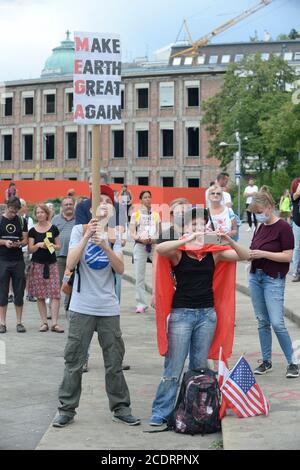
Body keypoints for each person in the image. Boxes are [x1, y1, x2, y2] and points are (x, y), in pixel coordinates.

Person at [149, 207, 249, 425]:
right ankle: (160, 412)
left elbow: (245, 255)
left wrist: (227, 240)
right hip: (181, 314)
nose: (199, 227)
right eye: (193, 224)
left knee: (199, 367)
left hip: (207, 315)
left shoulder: (214, 252)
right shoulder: (178, 252)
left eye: (203, 224)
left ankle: (195, 412)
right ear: (185, 227)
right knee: (174, 367)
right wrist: (187, 239)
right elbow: (160, 249)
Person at [52, 195, 140, 428]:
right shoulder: (79, 231)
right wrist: (88, 237)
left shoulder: (114, 235)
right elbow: (70, 263)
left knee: (114, 360)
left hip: (108, 307)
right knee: (74, 359)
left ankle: (121, 407)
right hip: (82, 307)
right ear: (90, 209)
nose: (103, 203)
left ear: (112, 210)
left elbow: (120, 269)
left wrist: (104, 245)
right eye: (98, 200)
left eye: (107, 201)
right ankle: (66, 409)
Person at [248, 187, 299, 378]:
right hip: (255, 277)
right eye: (255, 213)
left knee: (277, 323)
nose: (258, 216)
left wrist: (263, 254)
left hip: (273, 279)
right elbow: (254, 250)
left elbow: (288, 257)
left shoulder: (284, 228)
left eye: (259, 212)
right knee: (262, 321)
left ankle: (292, 362)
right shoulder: (260, 228)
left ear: (269, 207)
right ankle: (266, 360)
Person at [27, 204, 64, 333]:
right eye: (37, 213)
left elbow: (59, 246)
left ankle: (54, 323)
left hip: (52, 263)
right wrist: (38, 244)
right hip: (37, 265)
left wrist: (52, 245)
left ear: (47, 214)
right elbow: (30, 249)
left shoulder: (53, 228)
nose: (39, 215)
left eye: (42, 212)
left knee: (55, 294)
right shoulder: (32, 230)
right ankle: (44, 322)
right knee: (40, 295)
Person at [151, 197, 189, 309]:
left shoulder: (197, 234)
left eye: (185, 212)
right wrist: (154, 292)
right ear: (171, 214)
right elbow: (155, 264)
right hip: (171, 286)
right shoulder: (165, 236)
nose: (182, 215)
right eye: (179, 212)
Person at [130, 190, 160, 314]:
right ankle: (141, 303)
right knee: (139, 276)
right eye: (145, 197)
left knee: (158, 273)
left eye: (149, 197)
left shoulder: (156, 215)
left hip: (153, 246)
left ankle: (158, 300)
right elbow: (132, 232)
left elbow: (159, 231)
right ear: (141, 200)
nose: (148, 199)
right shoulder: (135, 215)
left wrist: (154, 238)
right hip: (140, 246)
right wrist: (139, 238)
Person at [0, 197, 28, 333]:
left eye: (16, 212)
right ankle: (2, 323)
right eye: (11, 211)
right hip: (2, 260)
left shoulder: (22, 220)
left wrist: (19, 243)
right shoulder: (0, 220)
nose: (13, 214)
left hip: (18, 260)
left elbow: (25, 238)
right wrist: (4, 242)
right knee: (2, 292)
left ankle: (19, 322)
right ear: (7, 207)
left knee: (19, 291)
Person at [52, 197, 75, 311]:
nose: (68, 206)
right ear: (62, 206)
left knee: (70, 283)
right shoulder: (55, 219)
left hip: (74, 257)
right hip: (59, 257)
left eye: (70, 204)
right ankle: (53, 309)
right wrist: (52, 253)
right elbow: (49, 237)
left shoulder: (78, 218)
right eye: (66, 204)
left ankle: (68, 306)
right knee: (57, 284)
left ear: (74, 205)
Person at [19, 199, 35, 302]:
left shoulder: (29, 220)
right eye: (19, 205)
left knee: (29, 272)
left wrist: (30, 250)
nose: (20, 207)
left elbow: (31, 235)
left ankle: (29, 293)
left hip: (26, 249)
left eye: (22, 205)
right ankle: (12, 293)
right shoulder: (13, 219)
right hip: (15, 249)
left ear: (25, 207)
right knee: (15, 273)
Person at [290, 177, 300, 276]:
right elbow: (297, 194)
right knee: (297, 248)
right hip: (297, 224)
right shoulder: (294, 196)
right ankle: (295, 271)